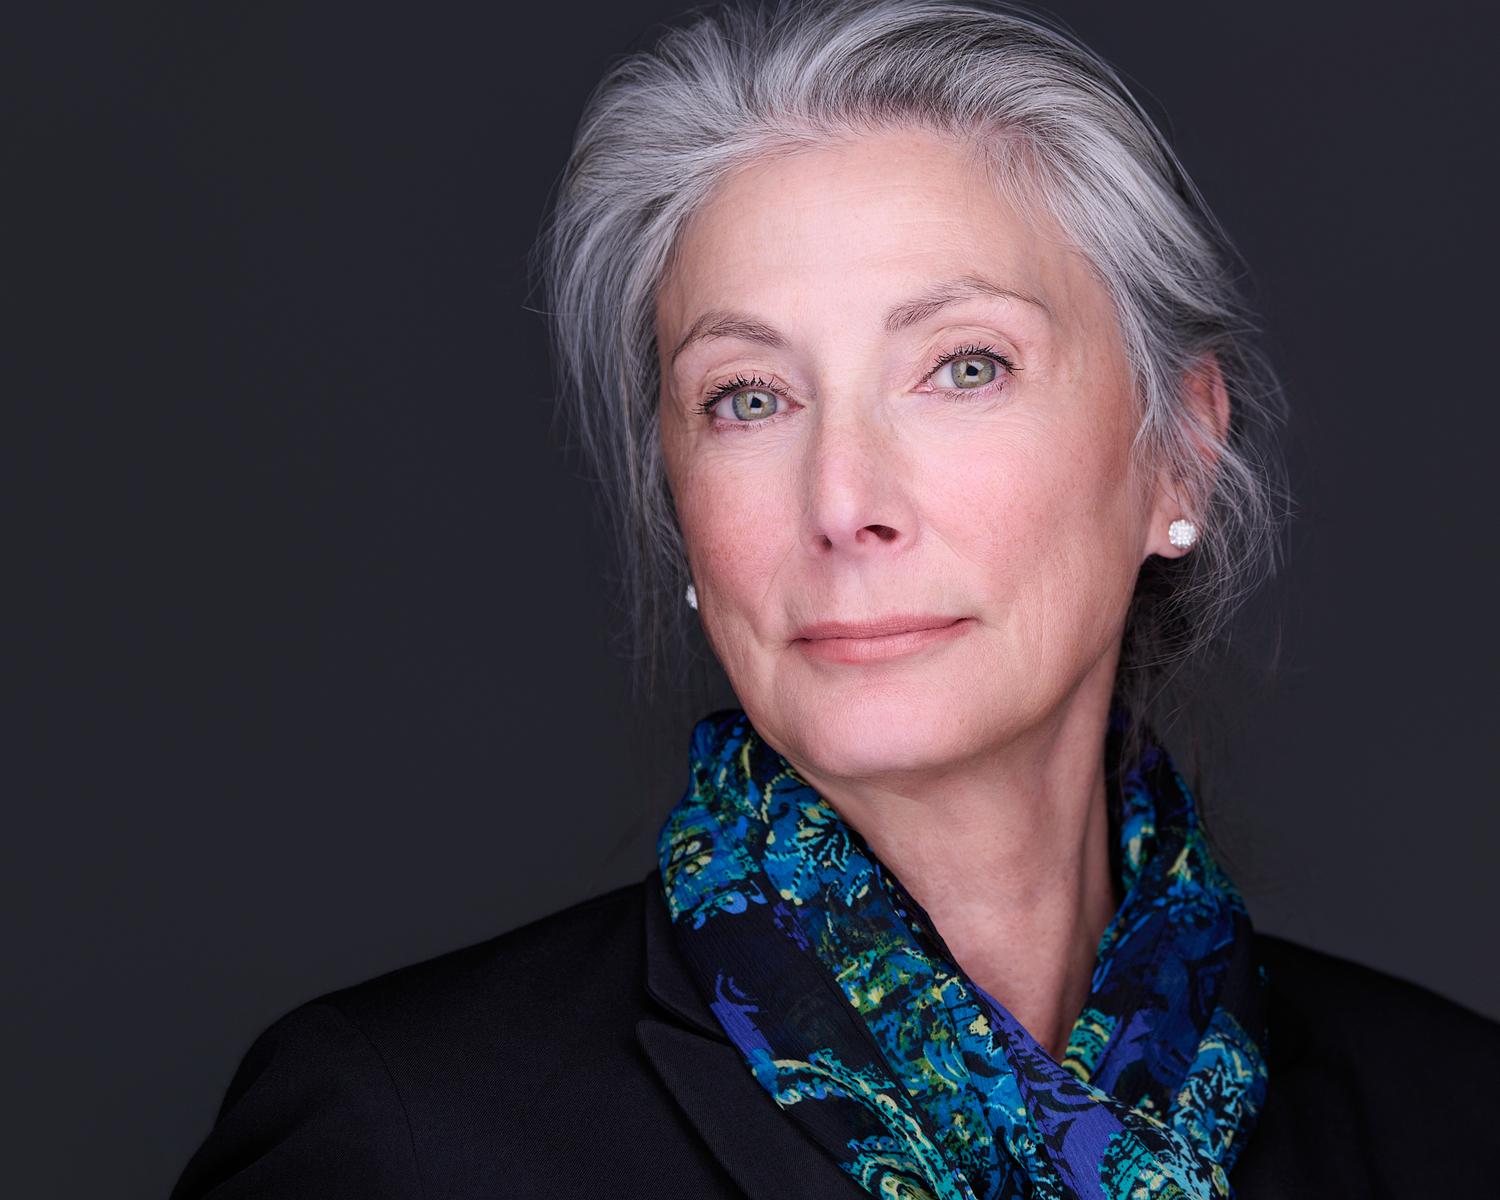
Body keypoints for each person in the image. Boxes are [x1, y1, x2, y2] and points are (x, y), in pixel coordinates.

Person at [171, 3, 1500, 1197]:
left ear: (1179, 455)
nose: (843, 498)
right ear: (679, 502)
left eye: (964, 366)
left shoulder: (1455, 1122)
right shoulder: (401, 1143)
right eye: (749, 398)